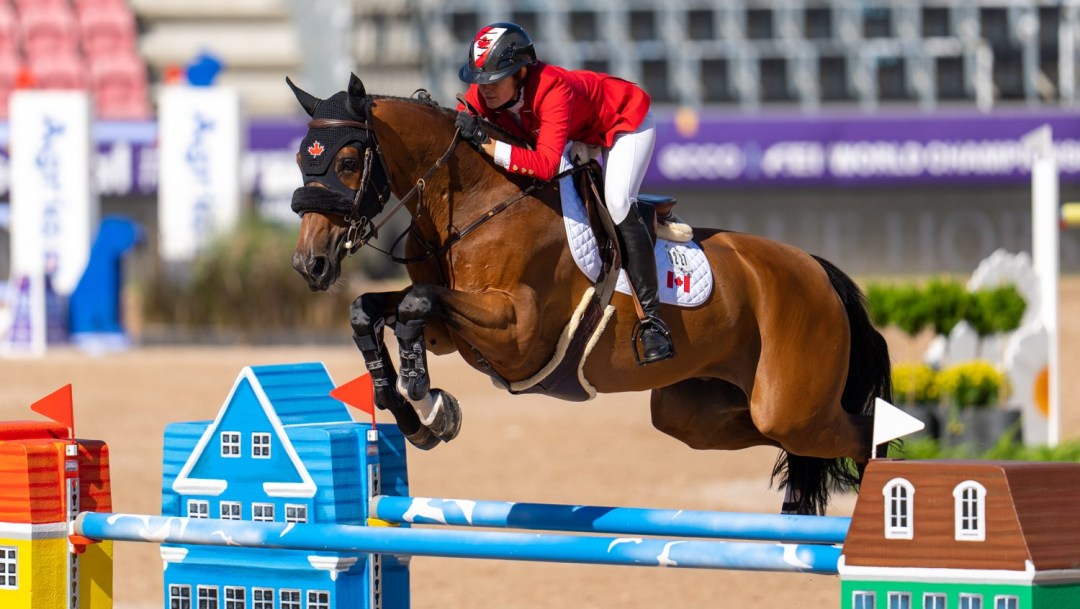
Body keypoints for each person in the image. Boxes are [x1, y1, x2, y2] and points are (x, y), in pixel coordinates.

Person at [454, 22, 674, 364]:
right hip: (575, 131)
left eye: (495, 82)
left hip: (624, 122)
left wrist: (488, 144)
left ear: (522, 73)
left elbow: (543, 164)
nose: (485, 91)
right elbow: (461, 125)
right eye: (479, 82)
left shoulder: (553, 89)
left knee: (617, 203)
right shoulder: (484, 93)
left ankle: (652, 321)